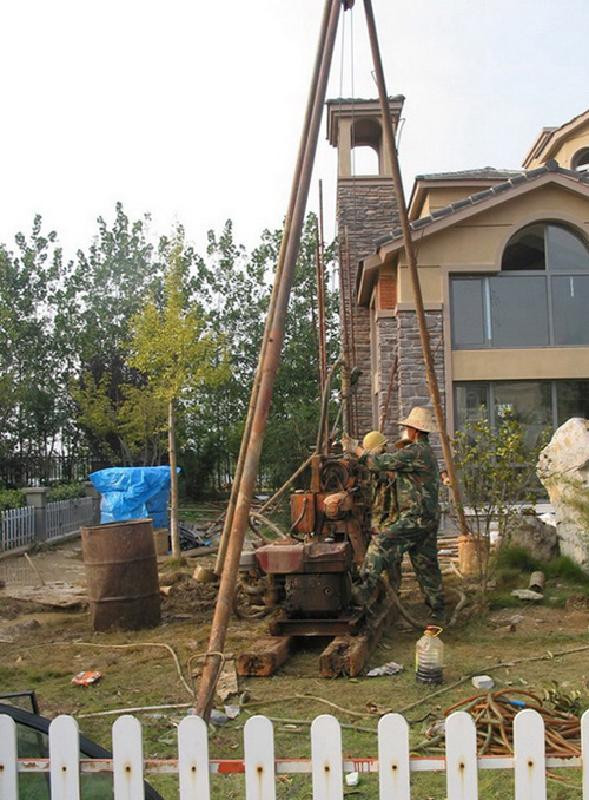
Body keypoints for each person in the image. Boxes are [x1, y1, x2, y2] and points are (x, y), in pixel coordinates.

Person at [349, 406, 445, 622]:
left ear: (415, 431)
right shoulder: (427, 452)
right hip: (428, 518)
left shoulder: (416, 452)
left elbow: (378, 463)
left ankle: (362, 591)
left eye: (408, 428)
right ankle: (438, 611)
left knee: (381, 543)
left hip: (416, 518)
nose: (407, 432)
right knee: (426, 565)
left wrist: (357, 450)